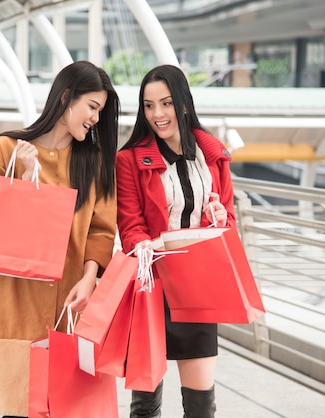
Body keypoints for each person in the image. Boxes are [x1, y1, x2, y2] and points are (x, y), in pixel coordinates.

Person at [0, 60, 120, 418]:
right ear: (67, 98)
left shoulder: (95, 162)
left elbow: (101, 229)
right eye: (92, 107)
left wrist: (89, 278)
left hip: (71, 300)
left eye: (100, 111)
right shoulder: (7, 149)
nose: (96, 119)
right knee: (18, 406)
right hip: (15, 300)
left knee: (67, 406)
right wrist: (25, 178)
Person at [115, 64, 236, 418]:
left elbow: (227, 219)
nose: (157, 114)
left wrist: (217, 216)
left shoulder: (212, 156)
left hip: (197, 286)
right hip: (150, 284)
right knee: (145, 407)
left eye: (165, 103)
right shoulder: (129, 160)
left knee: (202, 406)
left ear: (183, 104)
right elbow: (130, 225)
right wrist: (143, 244)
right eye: (149, 105)